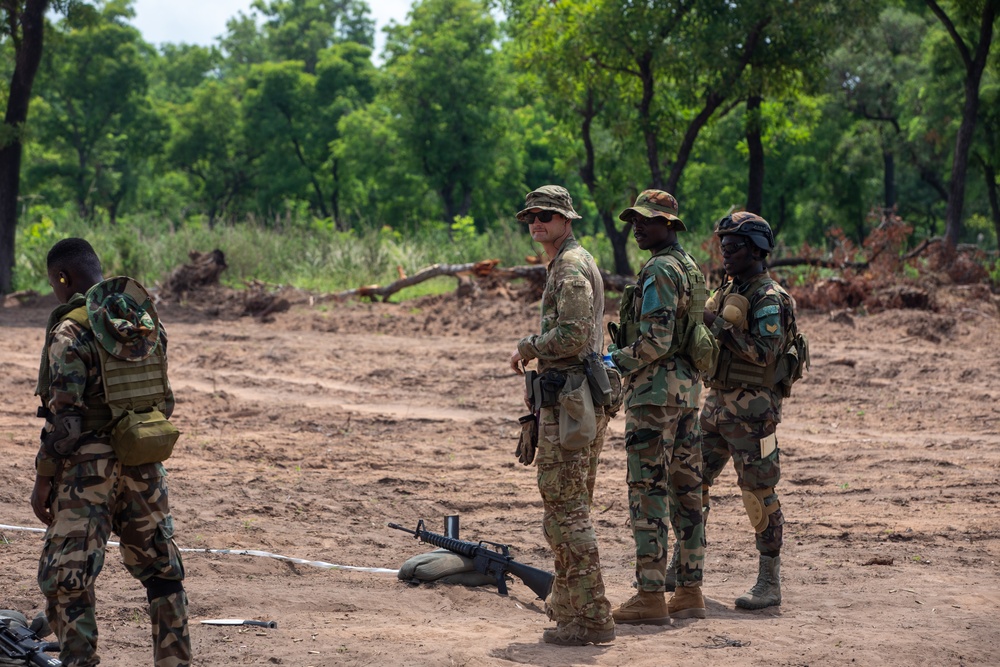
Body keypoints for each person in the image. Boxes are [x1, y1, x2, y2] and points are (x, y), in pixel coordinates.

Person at [30, 238, 191, 667]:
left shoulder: (71, 330)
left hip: (88, 470)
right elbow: (165, 402)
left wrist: (43, 479)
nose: (55, 291)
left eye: (53, 284)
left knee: (68, 577)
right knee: (162, 572)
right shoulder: (143, 322)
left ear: (64, 278)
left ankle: (80, 661)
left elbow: (65, 422)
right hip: (143, 459)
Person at [508, 185, 615, 646]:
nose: (537, 222)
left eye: (546, 216)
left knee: (567, 513)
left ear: (566, 219)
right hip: (574, 399)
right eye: (531, 216)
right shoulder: (568, 262)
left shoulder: (569, 266)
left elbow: (572, 336)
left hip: (571, 402)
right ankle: (570, 609)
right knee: (568, 510)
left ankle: (592, 617)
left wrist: (528, 347)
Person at [607, 190, 708, 624]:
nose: (638, 227)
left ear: (668, 224)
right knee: (686, 494)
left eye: (647, 221)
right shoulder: (690, 267)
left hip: (654, 396)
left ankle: (650, 596)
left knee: (647, 493)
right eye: (635, 220)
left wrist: (611, 361)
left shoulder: (661, 270)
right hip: (686, 393)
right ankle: (688, 591)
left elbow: (656, 340)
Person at [700, 211, 799, 610]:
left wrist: (719, 327)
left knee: (759, 494)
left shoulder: (769, 298)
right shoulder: (727, 289)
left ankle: (768, 582)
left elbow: (765, 353)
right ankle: (684, 566)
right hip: (717, 405)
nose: (726, 252)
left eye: (734, 246)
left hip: (754, 413)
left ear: (757, 250)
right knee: (689, 483)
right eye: (722, 246)